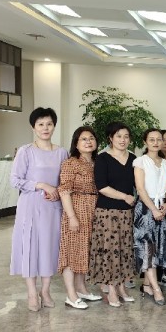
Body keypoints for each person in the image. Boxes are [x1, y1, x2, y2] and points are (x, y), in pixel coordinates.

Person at [11, 107, 68, 312]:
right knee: (30, 246)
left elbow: (65, 181)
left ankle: (45, 290)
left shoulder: (62, 152)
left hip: (53, 207)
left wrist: (57, 191)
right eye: (41, 124)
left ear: (54, 126)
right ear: (33, 127)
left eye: (49, 124)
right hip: (30, 206)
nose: (45, 128)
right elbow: (15, 180)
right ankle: (31, 293)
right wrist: (42, 185)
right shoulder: (26, 151)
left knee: (49, 247)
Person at [88, 122, 136, 308]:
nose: (123, 140)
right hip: (107, 212)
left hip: (127, 213)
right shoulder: (103, 158)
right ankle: (111, 289)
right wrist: (125, 197)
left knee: (124, 250)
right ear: (110, 138)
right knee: (109, 251)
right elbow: (102, 187)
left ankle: (122, 287)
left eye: (126, 136)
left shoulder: (134, 159)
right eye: (118, 136)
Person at [58, 126, 103, 310]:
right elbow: (64, 190)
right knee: (71, 252)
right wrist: (72, 217)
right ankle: (71, 294)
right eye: (83, 139)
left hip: (94, 209)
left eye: (91, 138)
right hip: (76, 208)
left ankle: (82, 289)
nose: (88, 142)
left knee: (84, 251)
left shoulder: (97, 162)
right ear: (76, 143)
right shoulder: (71, 163)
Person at [133, 129, 166, 304]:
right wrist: (154, 210)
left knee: (157, 248)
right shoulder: (140, 161)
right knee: (147, 248)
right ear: (145, 142)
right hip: (145, 209)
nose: (156, 143)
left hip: (162, 208)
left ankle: (147, 285)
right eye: (152, 139)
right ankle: (156, 289)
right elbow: (140, 189)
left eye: (159, 139)